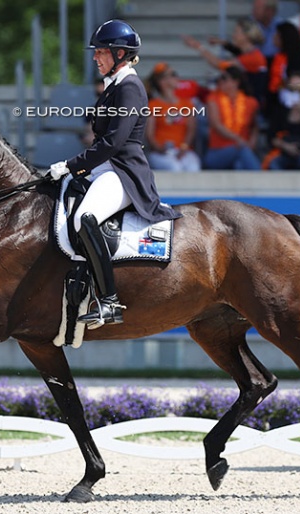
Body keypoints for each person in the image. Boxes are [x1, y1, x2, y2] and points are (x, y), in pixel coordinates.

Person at [46, 19, 182, 328]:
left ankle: (109, 302)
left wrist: (69, 165)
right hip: (104, 170)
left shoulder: (130, 87)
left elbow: (112, 143)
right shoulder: (115, 87)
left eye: (101, 52)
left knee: (85, 218)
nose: (95, 58)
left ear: (120, 54)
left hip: (122, 173)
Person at [182, 20, 268, 109]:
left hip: (250, 108)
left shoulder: (252, 57)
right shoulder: (252, 53)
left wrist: (198, 46)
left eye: (236, 32)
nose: (233, 35)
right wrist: (221, 42)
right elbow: (234, 49)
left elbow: (218, 64)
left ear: (246, 36)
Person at [145, 62, 201, 172]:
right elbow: (149, 135)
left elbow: (191, 130)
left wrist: (183, 148)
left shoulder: (187, 104)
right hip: (161, 153)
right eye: (173, 74)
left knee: (193, 167)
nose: (177, 77)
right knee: (174, 167)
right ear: (162, 81)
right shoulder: (153, 105)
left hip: (184, 151)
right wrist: (160, 149)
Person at [203, 66, 261, 170]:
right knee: (241, 150)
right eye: (220, 78)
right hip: (217, 151)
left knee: (240, 165)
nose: (221, 81)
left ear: (236, 82)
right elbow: (216, 124)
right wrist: (238, 140)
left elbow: (254, 127)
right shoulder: (213, 99)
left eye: (224, 78)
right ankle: (262, 180)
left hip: (243, 150)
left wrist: (252, 143)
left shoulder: (251, 102)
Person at [265, 71, 300, 170]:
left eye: (299, 88)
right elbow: (271, 136)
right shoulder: (281, 109)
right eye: (292, 88)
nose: (296, 91)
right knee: (274, 164)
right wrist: (286, 146)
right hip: (285, 153)